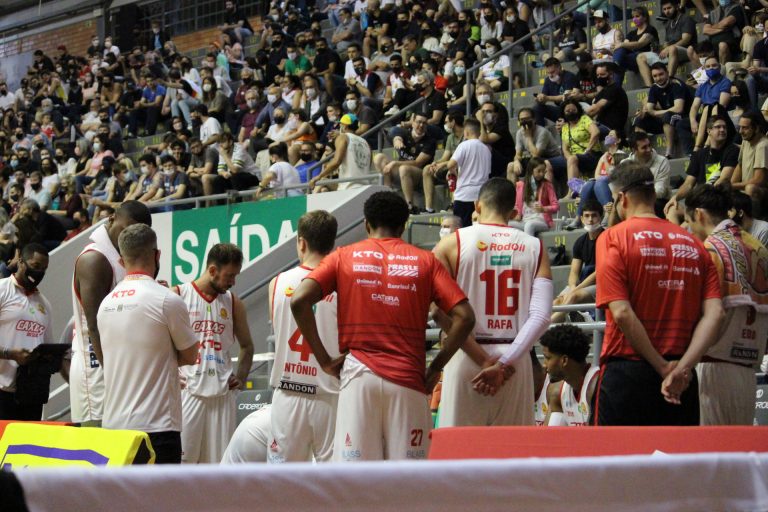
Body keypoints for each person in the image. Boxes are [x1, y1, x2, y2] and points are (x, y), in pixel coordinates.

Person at [290, 191, 475, 461]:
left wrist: (325, 360)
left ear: (366, 224)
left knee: (356, 477)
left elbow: (299, 300)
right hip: (408, 379)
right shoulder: (426, 261)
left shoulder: (342, 257)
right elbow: (465, 317)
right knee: (407, 476)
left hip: (358, 377)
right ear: (403, 225)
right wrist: (436, 367)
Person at [595, 162, 724, 426]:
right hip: (682, 379)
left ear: (622, 198)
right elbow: (716, 314)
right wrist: (682, 368)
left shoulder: (613, 238)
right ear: (653, 195)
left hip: (628, 374)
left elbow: (622, 312)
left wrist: (662, 367)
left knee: (619, 454)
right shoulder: (695, 244)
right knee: (678, 454)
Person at [433, 178, 553, 426]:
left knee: (459, 446)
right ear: (514, 212)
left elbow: (437, 312)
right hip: (515, 361)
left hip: (465, 354)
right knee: (512, 449)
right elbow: (541, 316)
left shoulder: (450, 243)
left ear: (477, 206)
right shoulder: (535, 247)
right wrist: (504, 362)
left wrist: (483, 360)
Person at [98, 224, 198, 464]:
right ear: (157, 255)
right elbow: (190, 355)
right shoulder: (167, 300)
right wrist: (163, 356)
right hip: (156, 427)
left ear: (121, 261)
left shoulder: (105, 304)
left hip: (113, 427)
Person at [684, 185, 768, 425]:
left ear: (699, 214)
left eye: (689, 222)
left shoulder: (709, 249)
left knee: (711, 447)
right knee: (738, 445)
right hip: (748, 371)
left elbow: (707, 313)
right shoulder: (758, 247)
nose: (690, 229)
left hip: (714, 368)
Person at [69, 201, 152, 426]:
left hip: (118, 363)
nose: (131, 237)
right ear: (112, 218)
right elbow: (94, 325)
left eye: (139, 233)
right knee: (97, 442)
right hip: (97, 366)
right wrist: (113, 373)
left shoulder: (121, 257)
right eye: (127, 228)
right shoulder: (94, 259)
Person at [268, 211, 339, 463]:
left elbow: (279, 330)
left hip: (288, 392)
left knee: (282, 478)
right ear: (332, 243)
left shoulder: (277, 282)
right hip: (329, 394)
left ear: (301, 242)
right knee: (334, 477)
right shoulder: (342, 283)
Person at [175, 244, 254, 463]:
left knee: (219, 465)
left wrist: (241, 379)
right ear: (212, 270)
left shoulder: (233, 302)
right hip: (188, 392)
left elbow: (247, 346)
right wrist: (170, 373)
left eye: (235, 276)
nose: (233, 282)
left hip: (222, 395)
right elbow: (160, 345)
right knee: (182, 464)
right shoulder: (178, 295)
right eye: (229, 275)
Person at [0, 243, 54, 420]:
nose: (39, 273)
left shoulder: (45, 305)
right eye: (36, 266)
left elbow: (47, 347)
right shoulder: (2, 289)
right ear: (21, 262)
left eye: (44, 269)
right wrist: (10, 354)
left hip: (31, 394)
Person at [664, 116, 738, 220]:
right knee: (672, 209)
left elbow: (723, 179)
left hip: (718, 200)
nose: (722, 130)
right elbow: (688, 184)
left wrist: (700, 198)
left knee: (688, 223)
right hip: (701, 201)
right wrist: (675, 197)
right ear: (709, 131)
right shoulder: (699, 154)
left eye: (724, 127)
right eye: (718, 127)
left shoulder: (732, 150)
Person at [425, 119, 491, 228]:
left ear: (466, 132)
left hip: (464, 196)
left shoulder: (463, 145)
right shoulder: (487, 149)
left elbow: (451, 164)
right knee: (479, 229)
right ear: (479, 132)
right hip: (482, 195)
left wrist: (447, 168)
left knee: (462, 230)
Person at [552, 200, 604, 324]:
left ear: (601, 217)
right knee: (557, 302)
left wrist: (575, 290)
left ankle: (544, 327)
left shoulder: (606, 237)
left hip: (603, 284)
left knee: (573, 297)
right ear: (581, 218)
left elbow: (598, 273)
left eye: (594, 215)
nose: (590, 220)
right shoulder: (580, 241)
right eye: (587, 216)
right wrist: (572, 287)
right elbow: (574, 272)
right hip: (584, 284)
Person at [373, 112, 437, 211]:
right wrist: (396, 139)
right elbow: (394, 133)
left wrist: (395, 163)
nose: (421, 125)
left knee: (404, 168)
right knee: (379, 157)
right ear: (413, 122)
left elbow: (418, 163)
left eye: (424, 123)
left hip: (420, 175)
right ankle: (388, 196)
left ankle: (410, 206)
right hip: (401, 174)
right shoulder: (405, 133)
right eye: (418, 122)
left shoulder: (430, 141)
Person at [540, 324, 600, 426]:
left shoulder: (596, 386)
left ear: (564, 360)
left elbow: (604, 434)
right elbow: (550, 435)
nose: (544, 365)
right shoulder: (558, 393)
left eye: (548, 358)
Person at [633, 63, 693, 158]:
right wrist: (643, 112)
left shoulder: (676, 84)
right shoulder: (654, 87)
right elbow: (649, 108)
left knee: (667, 116)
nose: (658, 78)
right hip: (666, 117)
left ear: (667, 73)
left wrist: (655, 112)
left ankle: (669, 152)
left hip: (684, 117)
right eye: (655, 76)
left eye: (661, 74)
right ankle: (642, 151)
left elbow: (678, 108)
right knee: (640, 120)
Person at [310, 114, 371, 192]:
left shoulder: (343, 137)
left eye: (340, 124)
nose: (339, 127)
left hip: (348, 187)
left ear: (345, 126)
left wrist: (319, 176)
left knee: (321, 181)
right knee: (324, 188)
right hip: (364, 187)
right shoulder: (366, 143)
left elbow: (337, 161)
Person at [637, 0, 696, 79]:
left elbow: (685, 40)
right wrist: (659, 48)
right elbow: (666, 43)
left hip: (687, 51)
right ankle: (650, 85)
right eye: (664, 9)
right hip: (670, 52)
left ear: (677, 6)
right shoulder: (668, 23)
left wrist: (668, 48)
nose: (667, 11)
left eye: (669, 8)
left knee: (672, 48)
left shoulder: (686, 19)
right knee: (640, 57)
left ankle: (669, 79)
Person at [623, 132, 671, 216]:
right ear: (634, 150)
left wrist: (639, 198)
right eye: (644, 147)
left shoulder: (662, 161)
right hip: (634, 200)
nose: (649, 149)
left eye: (649, 145)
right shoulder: (625, 164)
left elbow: (660, 191)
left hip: (657, 201)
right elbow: (621, 188)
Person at [510, 157, 559, 237]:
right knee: (508, 224)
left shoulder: (547, 185)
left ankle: (529, 245)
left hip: (542, 221)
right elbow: (517, 205)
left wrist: (544, 209)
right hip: (525, 220)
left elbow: (556, 206)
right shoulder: (520, 185)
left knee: (529, 225)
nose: (542, 174)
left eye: (543, 171)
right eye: (539, 171)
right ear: (531, 170)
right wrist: (517, 214)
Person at [690, 58, 732, 150]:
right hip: (704, 115)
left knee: (710, 107)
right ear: (704, 69)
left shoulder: (725, 82)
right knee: (681, 124)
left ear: (719, 67)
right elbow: (694, 106)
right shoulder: (702, 86)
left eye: (714, 65)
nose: (711, 68)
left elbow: (722, 105)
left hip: (719, 114)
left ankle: (704, 145)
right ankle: (690, 152)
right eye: (708, 67)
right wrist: (692, 121)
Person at [509, 108, 560, 182]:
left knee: (544, 164)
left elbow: (536, 155)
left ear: (534, 119)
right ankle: (511, 189)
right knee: (511, 165)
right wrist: (516, 161)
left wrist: (528, 137)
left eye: (527, 118)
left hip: (551, 157)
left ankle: (547, 189)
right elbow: (518, 154)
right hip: (535, 158)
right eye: (522, 119)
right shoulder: (519, 133)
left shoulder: (542, 132)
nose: (525, 122)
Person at [612, 7, 658, 87]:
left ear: (645, 17)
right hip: (632, 59)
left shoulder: (650, 29)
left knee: (620, 57)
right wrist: (621, 45)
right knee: (621, 52)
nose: (634, 19)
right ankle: (616, 87)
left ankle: (616, 65)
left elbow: (640, 43)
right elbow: (625, 45)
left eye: (637, 16)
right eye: (633, 17)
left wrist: (621, 44)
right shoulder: (631, 33)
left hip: (644, 57)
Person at [731, 112, 768, 202]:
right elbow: (739, 166)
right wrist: (730, 185)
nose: (740, 131)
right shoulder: (746, 141)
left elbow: (759, 180)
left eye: (745, 128)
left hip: (761, 190)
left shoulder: (763, 145)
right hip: (744, 186)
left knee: (750, 188)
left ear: (757, 128)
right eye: (740, 127)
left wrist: (733, 186)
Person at [532, 58, 578, 127]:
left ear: (559, 68)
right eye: (548, 73)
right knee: (537, 108)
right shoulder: (548, 80)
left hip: (572, 109)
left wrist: (547, 98)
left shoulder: (569, 76)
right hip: (559, 110)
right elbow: (544, 98)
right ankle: (540, 131)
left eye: (552, 72)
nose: (550, 75)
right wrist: (540, 99)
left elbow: (566, 97)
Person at [587, 62, 629, 138]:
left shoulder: (614, 89)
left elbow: (594, 110)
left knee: (583, 132)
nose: (599, 78)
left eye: (602, 75)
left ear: (611, 75)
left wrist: (578, 118)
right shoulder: (604, 91)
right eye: (597, 75)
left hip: (611, 129)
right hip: (600, 124)